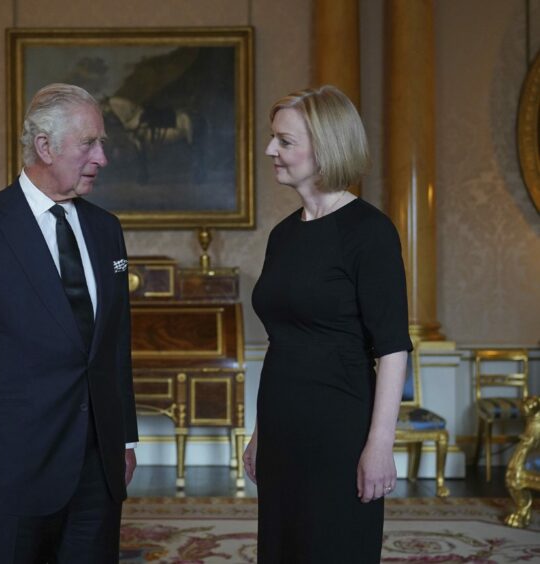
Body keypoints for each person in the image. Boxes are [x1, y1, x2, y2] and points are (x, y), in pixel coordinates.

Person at [0, 83, 138, 563]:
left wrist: (123, 438)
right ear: (45, 146)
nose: (102, 157)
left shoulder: (107, 230)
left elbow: (114, 345)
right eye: (89, 143)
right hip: (12, 464)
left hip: (97, 466)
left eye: (101, 143)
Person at [242, 85, 412, 563]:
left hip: (340, 429)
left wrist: (379, 445)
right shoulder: (283, 234)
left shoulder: (370, 232)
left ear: (327, 148)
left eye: (285, 141)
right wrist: (260, 432)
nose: (271, 150)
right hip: (281, 424)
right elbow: (284, 341)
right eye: (272, 138)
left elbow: (393, 348)